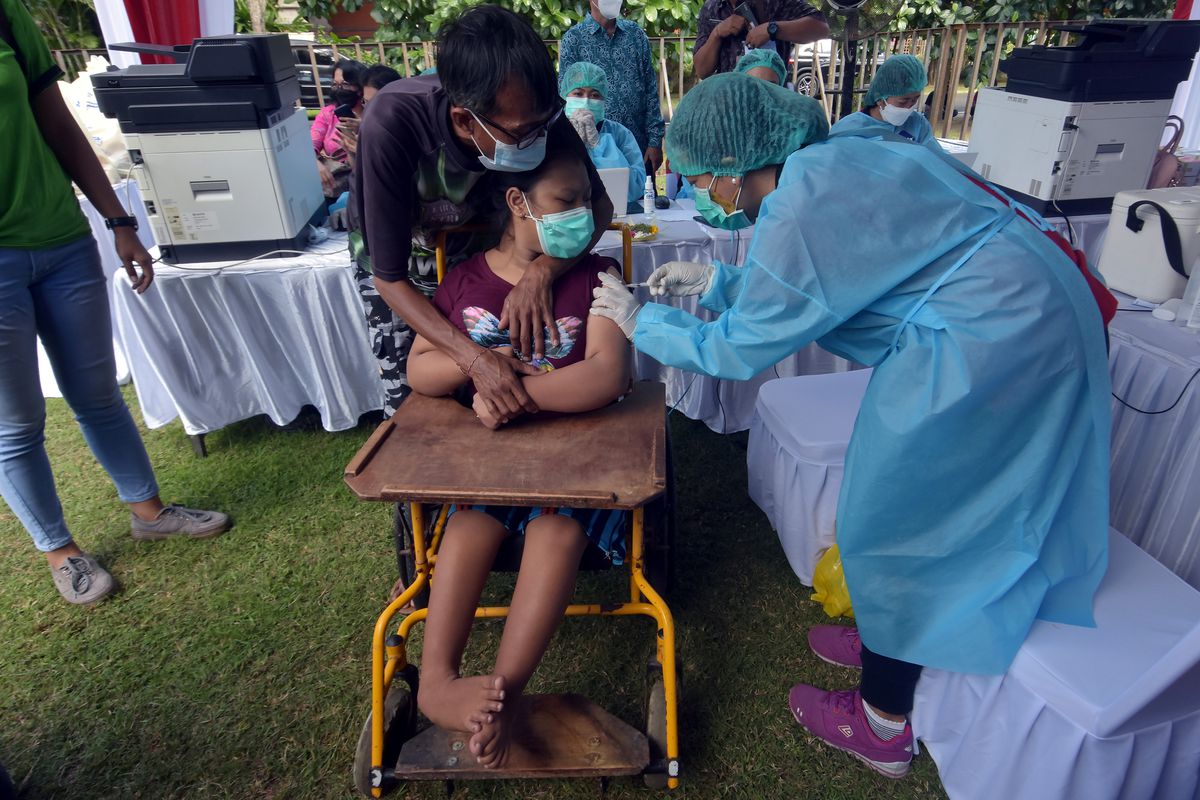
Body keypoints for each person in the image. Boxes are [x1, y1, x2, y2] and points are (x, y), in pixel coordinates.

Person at [591, 74, 1113, 779]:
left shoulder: (801, 202)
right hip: (1020, 308)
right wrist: (716, 284)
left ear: (741, 167)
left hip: (998, 337)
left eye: (705, 179)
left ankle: (883, 723)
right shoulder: (835, 159)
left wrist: (640, 321)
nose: (705, 194)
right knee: (897, 501)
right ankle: (889, 638)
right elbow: (826, 283)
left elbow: (741, 348)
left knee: (898, 514)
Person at [406, 147, 630, 767]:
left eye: (588, 200)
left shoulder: (598, 274)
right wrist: (481, 364)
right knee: (470, 525)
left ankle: (504, 698)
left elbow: (608, 373)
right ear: (517, 203)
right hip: (490, 467)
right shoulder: (465, 282)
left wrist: (511, 396)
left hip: (581, 468)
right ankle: (435, 683)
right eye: (567, 202)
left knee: (556, 531)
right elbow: (419, 370)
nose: (583, 214)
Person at [0, 0, 229, 605]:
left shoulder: (6, 16)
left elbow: (57, 125)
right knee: (17, 423)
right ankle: (61, 551)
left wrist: (118, 219)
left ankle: (148, 513)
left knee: (97, 394)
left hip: (61, 239)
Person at [349, 5, 614, 419]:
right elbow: (390, 279)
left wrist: (542, 270)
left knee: (512, 376)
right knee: (416, 401)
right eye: (523, 132)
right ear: (463, 119)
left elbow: (600, 205)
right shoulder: (392, 123)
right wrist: (472, 359)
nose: (539, 138)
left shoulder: (535, 114)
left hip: (481, 252)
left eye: (545, 124)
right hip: (402, 269)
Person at [558, 0, 666, 172]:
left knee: (639, 194)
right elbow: (566, 94)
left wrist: (655, 141)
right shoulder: (574, 39)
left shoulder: (635, 35)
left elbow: (650, 90)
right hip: (591, 145)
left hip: (637, 146)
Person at [560, 61, 647, 207]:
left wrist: (599, 146)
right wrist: (572, 146)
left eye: (595, 95)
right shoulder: (554, 130)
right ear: (565, 95)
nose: (586, 101)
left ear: (604, 99)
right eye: (578, 93)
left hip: (615, 212)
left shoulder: (620, 134)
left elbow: (635, 188)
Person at [828, 54, 943, 153]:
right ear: (880, 99)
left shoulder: (918, 125)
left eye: (915, 99)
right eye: (903, 101)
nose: (909, 106)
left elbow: (935, 161)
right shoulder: (849, 128)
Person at [693, 0, 828, 80]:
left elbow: (821, 28)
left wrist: (773, 29)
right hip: (727, 104)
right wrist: (716, 33)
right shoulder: (711, 8)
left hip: (772, 101)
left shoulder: (777, 3)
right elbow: (701, 70)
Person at [312, 58, 365, 200]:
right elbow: (311, 144)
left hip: (365, 179)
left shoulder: (372, 113)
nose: (339, 89)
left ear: (359, 88)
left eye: (345, 84)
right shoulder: (328, 114)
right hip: (335, 182)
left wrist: (364, 126)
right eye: (335, 85)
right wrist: (316, 163)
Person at [337, 64, 401, 164]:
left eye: (376, 102)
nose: (370, 108)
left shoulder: (405, 130)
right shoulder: (369, 127)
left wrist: (367, 152)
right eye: (366, 102)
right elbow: (357, 174)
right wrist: (351, 152)